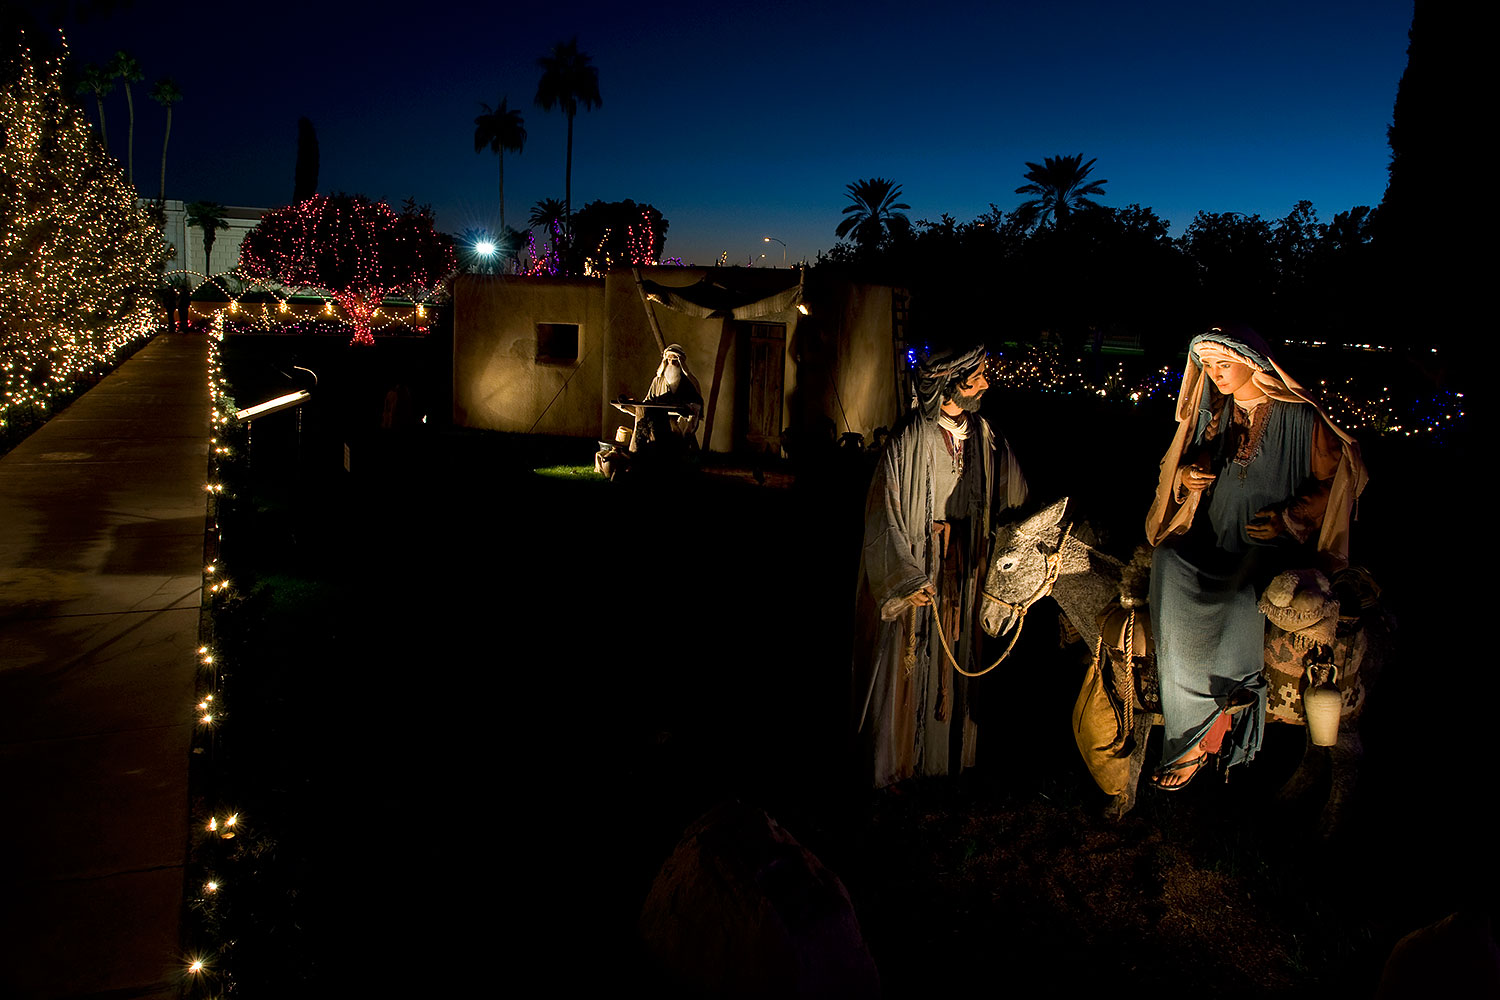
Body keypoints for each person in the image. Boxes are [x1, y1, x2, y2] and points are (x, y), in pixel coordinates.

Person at [1143, 326, 1367, 789]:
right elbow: (1192, 466)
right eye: (1208, 366)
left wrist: (1289, 518)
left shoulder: (1300, 417)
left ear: (1255, 364)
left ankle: (1211, 726)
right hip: (1217, 540)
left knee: (1238, 600)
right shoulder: (1218, 415)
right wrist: (1189, 475)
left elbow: (1337, 479)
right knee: (1166, 563)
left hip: (1269, 549)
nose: (1215, 374)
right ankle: (1188, 720)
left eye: (1224, 364)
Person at [853, 344, 1028, 787]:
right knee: (911, 661)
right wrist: (906, 575)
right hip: (921, 572)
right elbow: (883, 513)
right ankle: (899, 764)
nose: (987, 383)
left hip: (966, 574)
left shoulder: (988, 439)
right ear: (952, 383)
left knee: (957, 655)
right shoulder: (908, 440)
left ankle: (945, 760)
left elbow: (1016, 506)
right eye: (979, 376)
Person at [629, 344, 703, 472]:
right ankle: (636, 458)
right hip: (657, 419)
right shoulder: (657, 381)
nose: (671, 362)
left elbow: (696, 404)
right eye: (669, 359)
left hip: (678, 420)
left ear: (681, 362)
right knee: (641, 420)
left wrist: (686, 408)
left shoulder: (688, 382)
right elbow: (648, 400)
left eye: (675, 359)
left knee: (678, 436)